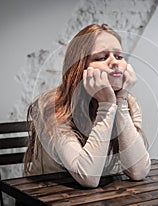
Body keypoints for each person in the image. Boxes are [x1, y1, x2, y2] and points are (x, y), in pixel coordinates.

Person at [23, 24, 151, 188]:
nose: (114, 62)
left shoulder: (128, 102)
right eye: (101, 58)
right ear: (79, 68)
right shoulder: (52, 106)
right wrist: (106, 106)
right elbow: (88, 177)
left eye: (119, 56)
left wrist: (120, 103)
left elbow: (138, 171)